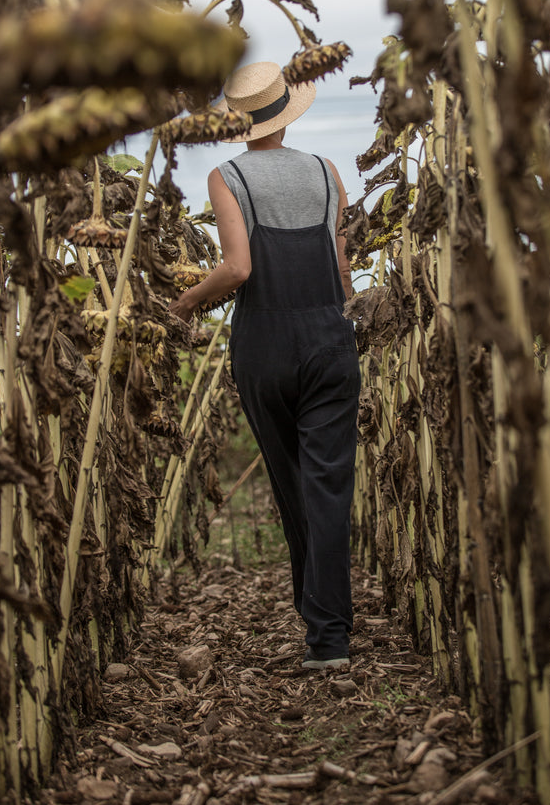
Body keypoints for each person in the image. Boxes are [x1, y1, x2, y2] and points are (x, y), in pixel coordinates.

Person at [169, 61, 361, 670]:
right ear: (287, 109)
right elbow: (343, 272)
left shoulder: (229, 177)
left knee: (292, 484)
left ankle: (319, 622)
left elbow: (238, 269)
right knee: (328, 486)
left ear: (238, 122)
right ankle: (328, 637)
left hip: (266, 346)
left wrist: (183, 306)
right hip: (331, 338)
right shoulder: (329, 175)